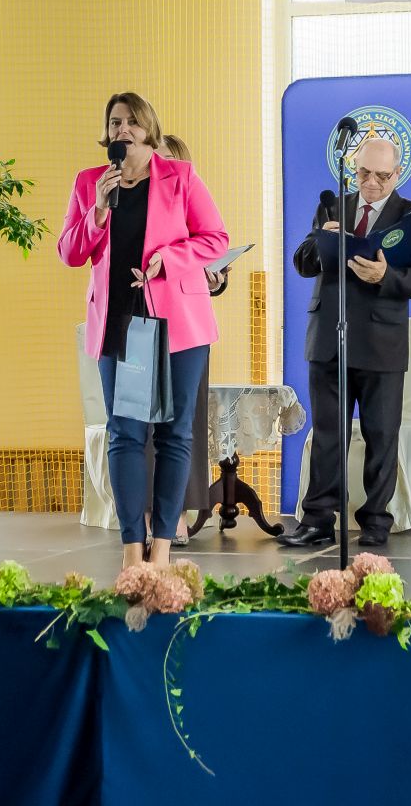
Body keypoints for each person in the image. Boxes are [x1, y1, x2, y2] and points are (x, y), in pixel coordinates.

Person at [58, 93, 228, 567]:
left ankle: (163, 548)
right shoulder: (89, 182)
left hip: (179, 325)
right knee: (125, 434)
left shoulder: (181, 177)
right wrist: (97, 211)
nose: (123, 130)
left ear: (149, 129)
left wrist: (168, 258)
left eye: (133, 122)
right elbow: (69, 252)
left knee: (175, 435)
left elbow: (216, 238)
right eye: (115, 122)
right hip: (120, 322)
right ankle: (133, 548)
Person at [280, 137, 411, 552]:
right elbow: (302, 262)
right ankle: (317, 520)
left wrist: (385, 277)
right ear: (353, 170)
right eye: (364, 173)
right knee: (327, 434)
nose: (371, 183)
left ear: (397, 174)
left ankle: (376, 520)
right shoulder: (333, 206)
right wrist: (321, 241)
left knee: (381, 434)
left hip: (381, 341)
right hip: (329, 336)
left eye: (382, 176)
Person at [144, 133, 230, 547]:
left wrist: (215, 279)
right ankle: (147, 513)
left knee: (183, 425)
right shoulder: (132, 200)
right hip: (142, 321)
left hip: (188, 325)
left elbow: (214, 253)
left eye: (168, 162)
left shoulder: (192, 199)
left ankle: (176, 511)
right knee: (144, 424)